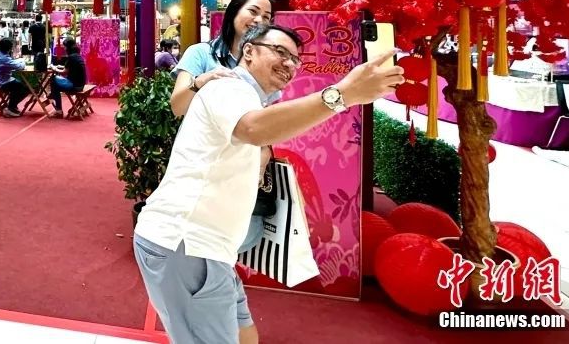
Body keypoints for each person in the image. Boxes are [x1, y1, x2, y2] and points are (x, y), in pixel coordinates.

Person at [134, 24, 403, 344]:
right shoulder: (229, 87)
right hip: (187, 244)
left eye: (295, 59)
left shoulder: (247, 98)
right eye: (280, 52)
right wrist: (342, 95)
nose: (289, 63)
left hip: (207, 249)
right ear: (248, 51)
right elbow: (253, 129)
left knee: (244, 333)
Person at [165, 0, 275, 344]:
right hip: (199, 174)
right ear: (233, 13)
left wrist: (261, 160)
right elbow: (177, 106)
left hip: (236, 180)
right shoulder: (201, 54)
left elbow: (265, 127)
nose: (259, 20)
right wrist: (202, 81)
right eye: (253, 11)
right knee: (209, 267)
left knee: (219, 264)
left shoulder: (266, 64)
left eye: (267, 17)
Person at [0, 37, 29, 117]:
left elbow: (12, 62)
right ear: (9, 48)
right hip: (0, 83)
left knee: (18, 85)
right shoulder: (4, 58)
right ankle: (10, 108)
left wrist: (18, 60)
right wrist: (23, 61)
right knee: (24, 89)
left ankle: (12, 106)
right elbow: (19, 66)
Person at [48, 36, 86, 118]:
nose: (64, 48)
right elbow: (70, 68)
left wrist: (54, 68)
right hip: (81, 84)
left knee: (53, 80)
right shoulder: (77, 56)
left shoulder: (71, 57)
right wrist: (60, 67)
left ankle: (58, 110)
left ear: (68, 47)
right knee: (55, 83)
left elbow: (64, 72)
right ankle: (53, 96)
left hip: (74, 85)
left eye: (65, 46)